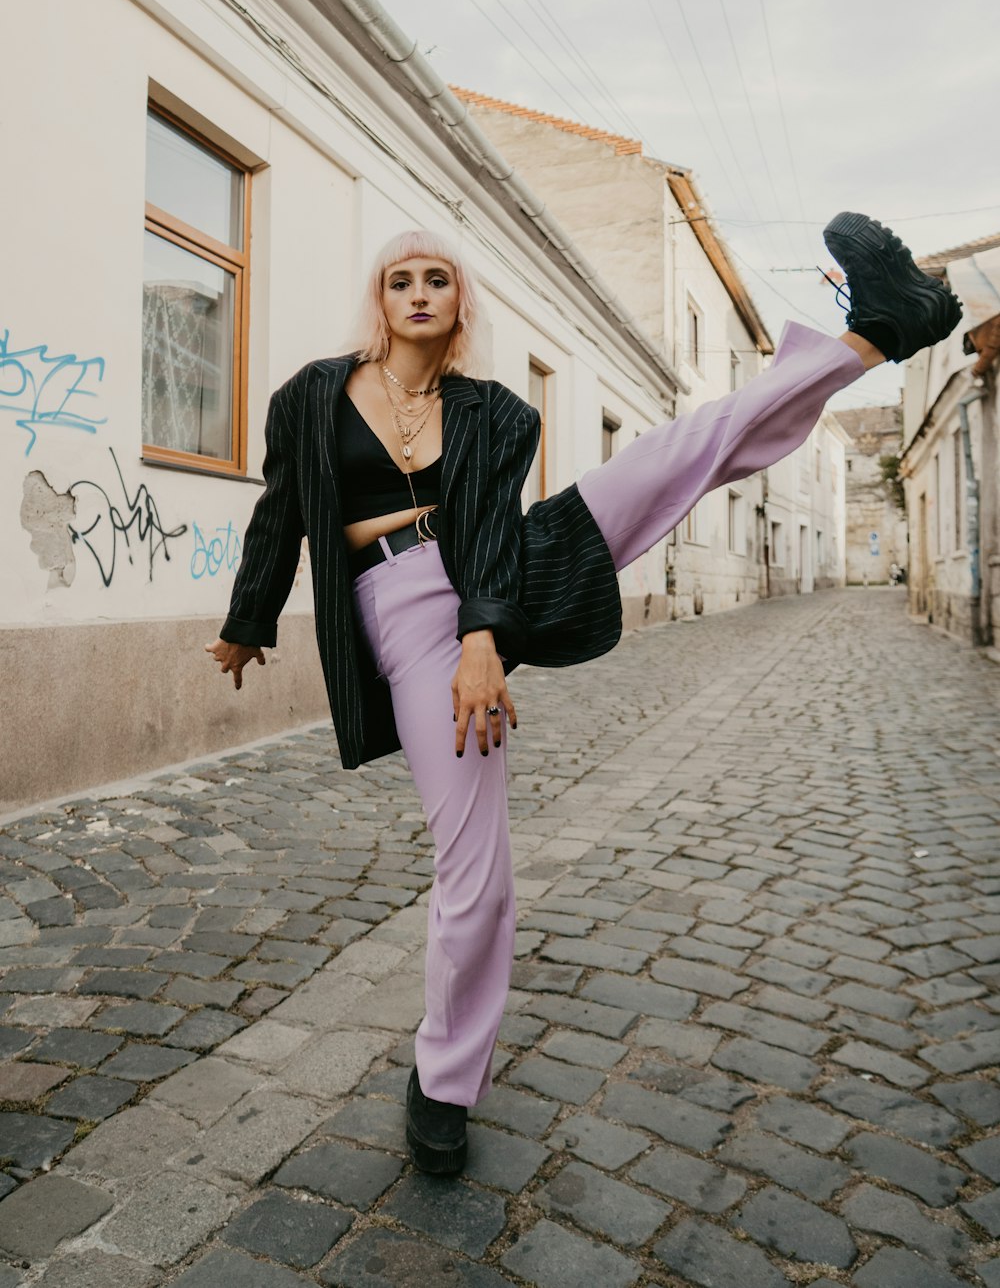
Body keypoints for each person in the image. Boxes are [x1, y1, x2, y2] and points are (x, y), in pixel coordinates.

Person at [206, 211, 961, 1174]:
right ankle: (444, 1073)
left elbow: (483, 528)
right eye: (402, 280)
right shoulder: (312, 396)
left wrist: (484, 634)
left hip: (498, 574)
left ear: (460, 298)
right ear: (382, 298)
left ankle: (880, 331)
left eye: (439, 277)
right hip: (402, 609)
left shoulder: (494, 413)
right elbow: (281, 513)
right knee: (474, 874)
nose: (420, 292)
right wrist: (246, 621)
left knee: (682, 450)